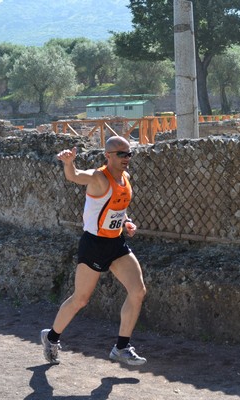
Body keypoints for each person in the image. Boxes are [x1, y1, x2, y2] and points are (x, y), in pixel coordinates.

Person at [41, 136, 147, 366]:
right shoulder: (99, 177)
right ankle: (51, 338)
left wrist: (126, 222)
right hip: (94, 245)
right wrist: (69, 163)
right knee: (81, 299)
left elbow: (118, 207)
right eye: (121, 154)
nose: (126, 158)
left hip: (116, 243)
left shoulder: (125, 178)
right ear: (108, 156)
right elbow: (76, 176)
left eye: (129, 153)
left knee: (138, 291)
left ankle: (121, 347)